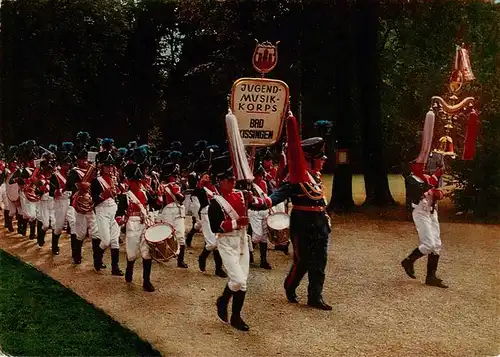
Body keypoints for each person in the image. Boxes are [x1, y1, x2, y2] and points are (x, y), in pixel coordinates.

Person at [260, 114, 332, 310]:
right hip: (302, 221)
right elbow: (279, 194)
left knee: (320, 260)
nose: (323, 161)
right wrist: (262, 202)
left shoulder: (315, 177)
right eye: (320, 158)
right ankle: (290, 285)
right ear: (309, 159)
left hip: (319, 220)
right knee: (304, 260)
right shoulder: (296, 177)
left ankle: (315, 296)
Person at [209, 155, 272, 331]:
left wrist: (258, 200)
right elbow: (216, 227)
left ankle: (236, 317)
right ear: (220, 181)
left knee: (243, 283)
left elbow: (260, 205)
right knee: (236, 280)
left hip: (242, 241)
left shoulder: (242, 195)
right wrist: (237, 223)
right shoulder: (215, 202)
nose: (232, 182)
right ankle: (223, 300)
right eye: (229, 179)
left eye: (233, 179)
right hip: (227, 242)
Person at [401, 161, 448, 288]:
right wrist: (435, 179)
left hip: (432, 212)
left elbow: (436, 190)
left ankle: (431, 277)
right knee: (429, 244)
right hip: (420, 212)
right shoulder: (411, 179)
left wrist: (438, 192)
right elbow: (420, 189)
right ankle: (408, 261)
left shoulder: (429, 177)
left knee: (437, 245)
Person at [116, 161, 158, 292]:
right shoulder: (125, 197)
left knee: (147, 252)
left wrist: (159, 195)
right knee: (132, 252)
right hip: (132, 223)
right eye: (135, 181)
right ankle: (129, 269)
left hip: (145, 222)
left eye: (140, 181)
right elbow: (119, 213)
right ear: (129, 182)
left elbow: (156, 205)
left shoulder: (146, 193)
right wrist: (120, 218)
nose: (139, 183)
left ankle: (146, 281)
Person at [91, 150, 123, 275]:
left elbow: (117, 196)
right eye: (107, 166)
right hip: (101, 210)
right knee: (105, 241)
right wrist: (104, 195)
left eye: (111, 165)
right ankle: (97, 259)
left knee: (114, 239)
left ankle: (115, 267)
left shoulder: (115, 179)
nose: (109, 168)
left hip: (113, 208)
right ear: (102, 167)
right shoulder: (96, 181)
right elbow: (94, 200)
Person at [195, 159, 226, 278]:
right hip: (206, 212)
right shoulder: (201, 187)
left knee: (218, 240)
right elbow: (197, 191)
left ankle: (218, 269)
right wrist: (201, 182)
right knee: (212, 243)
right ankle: (202, 256)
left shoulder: (215, 186)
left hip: (216, 212)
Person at [157, 161, 188, 268]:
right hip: (167, 211)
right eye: (173, 175)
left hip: (178, 211)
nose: (175, 177)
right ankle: (160, 254)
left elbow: (182, 198)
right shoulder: (162, 186)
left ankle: (180, 260)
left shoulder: (177, 184)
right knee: (165, 234)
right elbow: (160, 202)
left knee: (181, 235)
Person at [49, 142, 75, 255]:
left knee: (74, 225)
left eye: (69, 163)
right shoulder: (55, 175)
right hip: (60, 202)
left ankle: (75, 252)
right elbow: (51, 193)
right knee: (59, 226)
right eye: (65, 163)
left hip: (71, 202)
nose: (68, 165)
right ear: (61, 164)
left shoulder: (71, 173)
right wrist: (60, 190)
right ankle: (54, 245)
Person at [248, 162, 272, 269]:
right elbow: (249, 201)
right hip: (254, 212)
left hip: (264, 211)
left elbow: (268, 197)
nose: (260, 177)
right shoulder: (249, 185)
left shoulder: (264, 183)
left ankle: (263, 260)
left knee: (264, 237)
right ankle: (248, 253)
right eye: (258, 174)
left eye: (261, 174)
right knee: (257, 236)